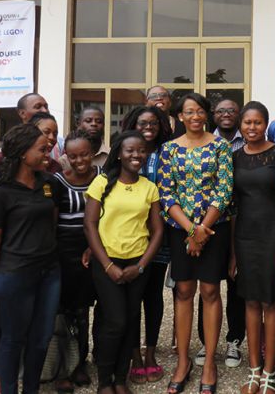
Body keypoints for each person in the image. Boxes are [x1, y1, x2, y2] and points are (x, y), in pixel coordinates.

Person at [158, 93, 233, 394]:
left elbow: (225, 189)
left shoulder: (221, 146)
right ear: (179, 117)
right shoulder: (168, 150)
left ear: (207, 115)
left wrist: (203, 229)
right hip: (181, 229)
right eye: (189, 112)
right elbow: (166, 193)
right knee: (185, 289)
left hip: (214, 228)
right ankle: (183, 361)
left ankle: (210, 362)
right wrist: (191, 230)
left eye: (200, 111)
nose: (195, 116)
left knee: (211, 290)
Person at [0, 124, 61, 394]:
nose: (47, 153)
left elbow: (51, 225)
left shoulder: (48, 184)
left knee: (41, 339)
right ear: (22, 152)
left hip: (49, 274)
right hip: (14, 276)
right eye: (42, 149)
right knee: (13, 340)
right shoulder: (1, 192)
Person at [84, 130, 164, 394]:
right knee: (115, 320)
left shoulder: (149, 187)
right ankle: (105, 381)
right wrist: (108, 265)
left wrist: (141, 266)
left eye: (141, 150)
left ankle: (121, 379)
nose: (136, 155)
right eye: (130, 150)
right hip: (107, 263)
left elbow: (157, 231)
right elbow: (90, 225)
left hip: (137, 264)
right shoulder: (101, 183)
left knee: (130, 320)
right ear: (119, 153)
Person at [230, 101, 275, 394]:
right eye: (247, 123)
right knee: (250, 302)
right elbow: (232, 206)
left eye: (258, 122)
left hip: (273, 238)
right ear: (241, 126)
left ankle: (270, 371)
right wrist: (232, 253)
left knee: (271, 303)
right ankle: (254, 370)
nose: (252, 128)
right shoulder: (234, 157)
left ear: (265, 124)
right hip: (245, 238)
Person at [119, 106, 171, 384]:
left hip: (159, 237)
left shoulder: (167, 153)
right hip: (131, 237)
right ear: (133, 124)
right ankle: (134, 355)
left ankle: (150, 353)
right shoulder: (125, 152)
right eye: (142, 123)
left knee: (153, 296)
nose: (148, 127)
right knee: (132, 298)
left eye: (154, 123)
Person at [196, 98, 246, 369]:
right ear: (212, 115)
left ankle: (234, 341)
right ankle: (207, 341)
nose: (226, 114)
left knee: (237, 285)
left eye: (232, 110)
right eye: (221, 111)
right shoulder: (202, 141)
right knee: (209, 285)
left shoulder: (248, 138)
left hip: (241, 221)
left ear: (239, 114)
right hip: (210, 222)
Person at [52, 130, 102, 392]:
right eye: (73, 156)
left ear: (92, 152)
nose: (79, 160)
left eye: (84, 154)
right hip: (64, 253)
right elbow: (52, 223)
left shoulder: (102, 178)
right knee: (62, 312)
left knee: (83, 312)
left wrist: (94, 248)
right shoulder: (58, 181)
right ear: (65, 157)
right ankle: (62, 369)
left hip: (93, 251)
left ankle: (80, 363)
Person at [60, 106, 110, 171]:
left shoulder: (111, 156)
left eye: (99, 121)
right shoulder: (65, 160)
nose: (94, 124)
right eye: (88, 121)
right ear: (78, 123)